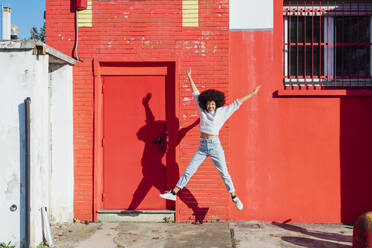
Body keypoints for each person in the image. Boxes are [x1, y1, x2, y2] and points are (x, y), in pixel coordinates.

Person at [160, 68, 260, 211]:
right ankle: (174, 192)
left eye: (213, 104)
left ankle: (234, 197)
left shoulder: (222, 112)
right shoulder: (203, 111)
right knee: (189, 170)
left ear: (216, 104)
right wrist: (189, 77)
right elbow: (195, 94)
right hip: (202, 146)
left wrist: (252, 93)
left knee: (224, 172)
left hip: (214, 145)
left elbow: (237, 103)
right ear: (205, 104)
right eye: (209, 104)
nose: (210, 106)